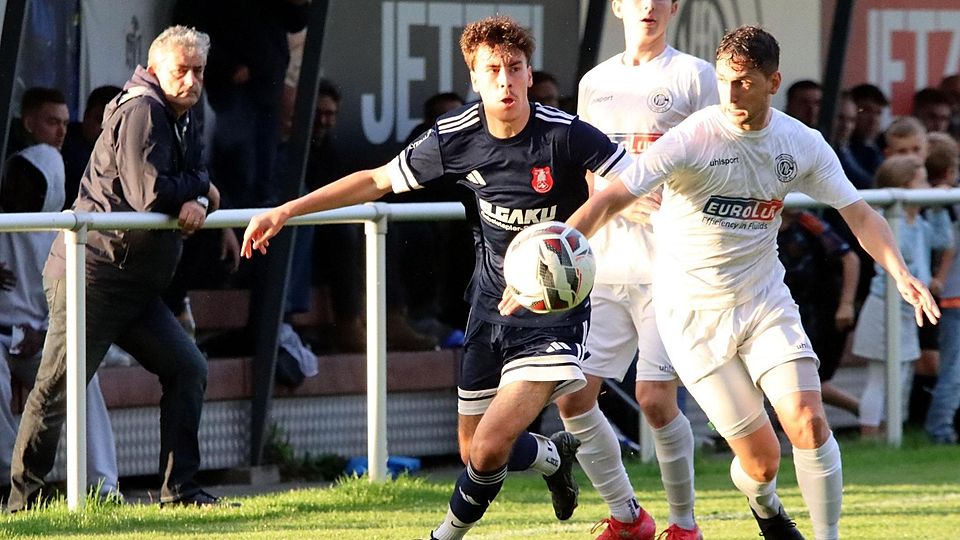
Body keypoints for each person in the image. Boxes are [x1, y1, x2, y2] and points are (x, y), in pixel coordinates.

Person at [242, 15, 638, 539]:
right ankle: (550, 458)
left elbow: (623, 183)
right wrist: (287, 209)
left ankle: (443, 535)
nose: (505, 81)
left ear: (527, 73)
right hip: (490, 308)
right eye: (492, 70)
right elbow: (378, 180)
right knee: (475, 449)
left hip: (553, 313)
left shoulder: (563, 134)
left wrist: (564, 240)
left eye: (515, 69)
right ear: (474, 77)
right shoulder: (456, 136)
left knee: (492, 445)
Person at [558, 25, 940, 540]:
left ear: (772, 82)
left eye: (744, 82)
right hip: (690, 317)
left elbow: (860, 212)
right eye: (724, 81)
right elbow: (607, 199)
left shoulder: (799, 143)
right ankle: (764, 504)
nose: (732, 93)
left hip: (763, 302)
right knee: (761, 463)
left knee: (807, 418)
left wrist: (901, 272)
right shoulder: (693, 135)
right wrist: (559, 249)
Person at [7, 25, 230, 511]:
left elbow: (192, 179)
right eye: (181, 71)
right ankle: (23, 502)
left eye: (199, 72)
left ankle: (181, 492)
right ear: (154, 71)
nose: (191, 81)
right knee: (57, 387)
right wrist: (199, 191)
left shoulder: (187, 112)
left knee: (187, 367)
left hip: (134, 282)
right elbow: (150, 194)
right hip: (93, 276)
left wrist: (198, 191)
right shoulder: (142, 109)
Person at [560, 0, 717, 538]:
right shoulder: (594, 82)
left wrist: (656, 198)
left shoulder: (694, 75)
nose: (648, 5)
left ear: (674, 7)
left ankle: (684, 524)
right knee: (573, 398)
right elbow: (589, 176)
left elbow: (713, 164)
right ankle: (628, 517)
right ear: (618, 6)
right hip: (604, 267)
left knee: (654, 399)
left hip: (670, 266)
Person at [0, 144, 120, 503]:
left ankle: (101, 485)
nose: (21, 189)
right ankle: (8, 476)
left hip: (43, 339)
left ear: (49, 186)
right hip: (1, 339)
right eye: (16, 179)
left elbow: (72, 302)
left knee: (81, 375)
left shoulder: (65, 231)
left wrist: (48, 331)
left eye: (32, 182)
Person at [851, 155, 953, 437]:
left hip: (908, 311)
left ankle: (890, 431)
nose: (926, 186)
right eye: (920, 181)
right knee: (879, 377)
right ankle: (869, 434)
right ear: (904, 185)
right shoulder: (889, 221)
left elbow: (943, 241)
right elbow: (904, 263)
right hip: (884, 307)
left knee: (902, 375)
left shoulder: (918, 223)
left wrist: (937, 209)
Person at [777, 209, 860, 417]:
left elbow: (850, 258)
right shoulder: (757, 223)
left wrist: (847, 303)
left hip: (816, 311)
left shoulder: (809, 223)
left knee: (808, 380)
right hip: (777, 311)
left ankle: (866, 414)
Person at [924, 132, 960, 444]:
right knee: (953, 370)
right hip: (952, 298)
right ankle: (940, 429)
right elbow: (946, 245)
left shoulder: (936, 200)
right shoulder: (945, 201)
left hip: (946, 294)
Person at [61, 85, 122, 209]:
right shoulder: (65, 144)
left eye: (111, 123)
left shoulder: (121, 152)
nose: (103, 129)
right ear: (86, 116)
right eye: (100, 120)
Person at [847, 83, 890, 178]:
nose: (873, 119)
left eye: (878, 113)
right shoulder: (844, 149)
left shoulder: (886, 143)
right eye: (865, 110)